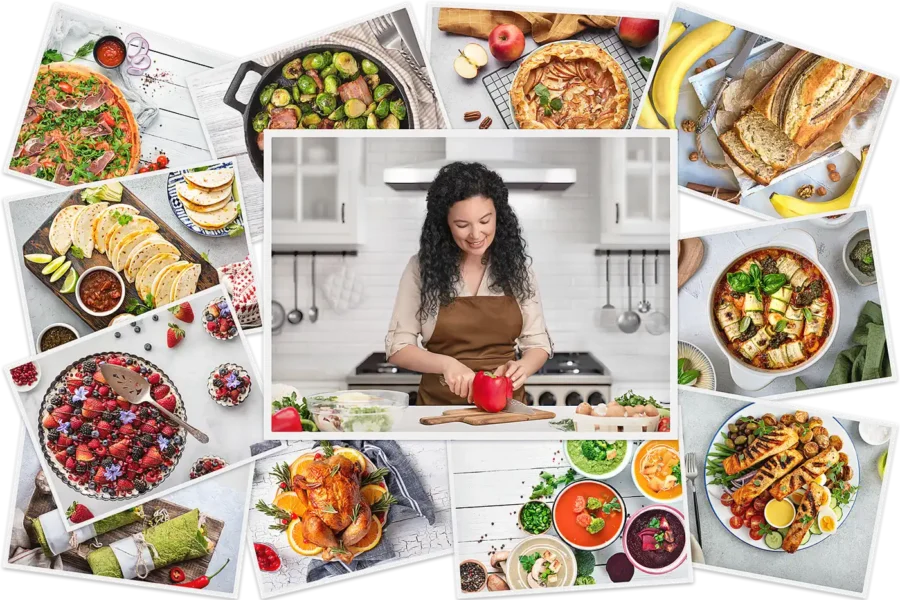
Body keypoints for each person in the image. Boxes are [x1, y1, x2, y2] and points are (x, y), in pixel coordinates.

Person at [385, 162, 552, 405]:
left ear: (498, 216)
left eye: (485, 221)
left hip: (505, 410)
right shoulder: (421, 268)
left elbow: (538, 344)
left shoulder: (518, 270)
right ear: (445, 224)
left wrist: (523, 366)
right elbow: (397, 348)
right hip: (438, 410)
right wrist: (446, 364)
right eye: (462, 225)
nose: (475, 234)